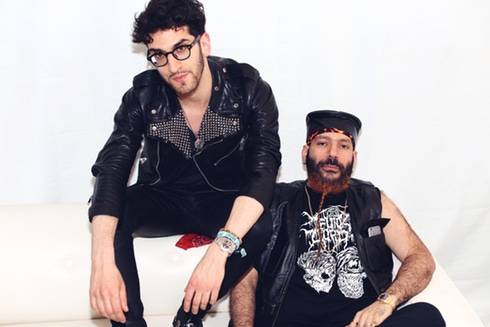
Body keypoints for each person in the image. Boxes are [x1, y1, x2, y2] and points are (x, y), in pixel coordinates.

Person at [87, 0, 281, 326]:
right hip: (164, 196)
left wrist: (219, 252)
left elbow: (264, 170)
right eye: (159, 55)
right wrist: (101, 261)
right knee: (115, 211)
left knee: (263, 225)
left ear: (203, 42)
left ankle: (187, 320)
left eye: (181, 49)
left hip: (222, 201)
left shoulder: (247, 88)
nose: (173, 65)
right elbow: (112, 167)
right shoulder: (143, 97)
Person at [229, 110, 445, 327]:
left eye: (343, 146)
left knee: (427, 316)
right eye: (322, 143)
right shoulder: (276, 200)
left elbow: (420, 258)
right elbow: (244, 278)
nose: (333, 153)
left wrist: (386, 302)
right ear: (305, 153)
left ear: (353, 157)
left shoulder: (372, 201)